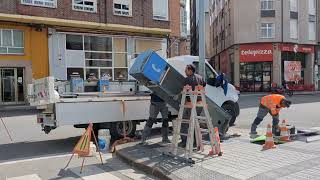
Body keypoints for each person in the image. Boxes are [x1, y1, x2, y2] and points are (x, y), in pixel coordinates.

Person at [179, 64, 206, 148]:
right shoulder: (200, 77)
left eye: (186, 70)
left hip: (190, 104)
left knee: (185, 123)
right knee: (195, 123)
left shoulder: (187, 79)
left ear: (190, 70)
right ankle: (195, 142)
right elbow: (204, 85)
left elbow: (183, 90)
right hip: (199, 104)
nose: (185, 71)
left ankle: (184, 142)